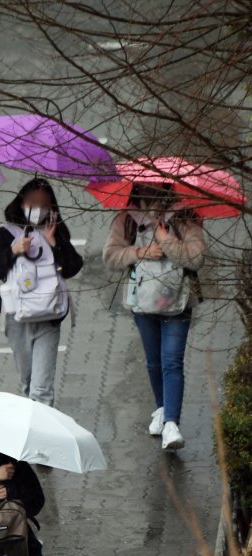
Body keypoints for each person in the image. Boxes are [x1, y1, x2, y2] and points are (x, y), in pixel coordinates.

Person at [102, 183, 206, 450]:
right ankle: (161, 408)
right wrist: (139, 252)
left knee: (172, 361)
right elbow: (110, 256)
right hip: (143, 302)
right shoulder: (127, 218)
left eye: (158, 187)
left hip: (178, 301)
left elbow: (196, 258)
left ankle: (171, 423)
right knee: (153, 362)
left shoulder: (184, 216)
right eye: (147, 188)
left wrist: (166, 241)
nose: (152, 193)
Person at [0, 178, 83, 407]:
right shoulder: (7, 233)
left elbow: (73, 267)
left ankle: (41, 440)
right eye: (32, 202)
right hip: (17, 318)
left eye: (43, 203)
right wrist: (13, 251)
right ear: (20, 202)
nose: (37, 208)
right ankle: (34, 424)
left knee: (41, 389)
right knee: (29, 382)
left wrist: (54, 242)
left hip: (49, 316)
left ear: (52, 207)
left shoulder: (57, 230)